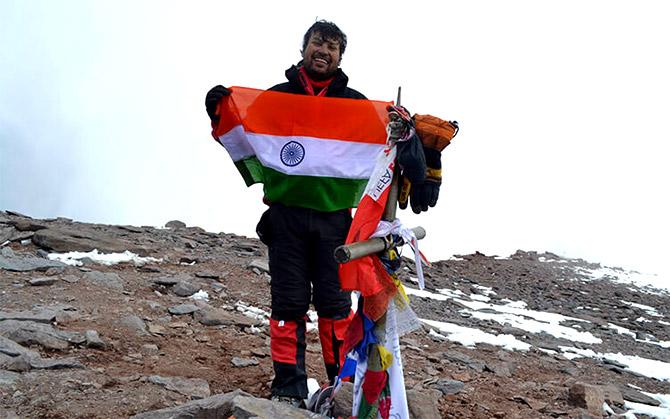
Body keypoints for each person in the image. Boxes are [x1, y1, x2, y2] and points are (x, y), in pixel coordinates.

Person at [205, 20, 364, 407]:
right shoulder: (276, 98)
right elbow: (243, 131)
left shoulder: (357, 105)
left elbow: (383, 146)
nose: (322, 51)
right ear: (304, 48)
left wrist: (409, 135)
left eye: (331, 47)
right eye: (316, 43)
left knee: (335, 307)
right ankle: (288, 387)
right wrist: (219, 111)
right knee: (287, 305)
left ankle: (340, 388)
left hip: (334, 222)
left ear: (341, 56)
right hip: (286, 220)